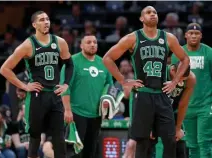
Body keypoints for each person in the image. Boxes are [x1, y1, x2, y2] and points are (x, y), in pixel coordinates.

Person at [103, 6, 190, 158]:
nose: (152, 15)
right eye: (148, 13)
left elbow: (185, 59)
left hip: (162, 95)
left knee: (170, 139)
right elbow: (107, 58)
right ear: (141, 19)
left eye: (155, 12)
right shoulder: (133, 38)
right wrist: (123, 81)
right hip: (143, 95)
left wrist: (175, 81)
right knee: (143, 143)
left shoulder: (168, 38)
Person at [0, 11, 74, 158]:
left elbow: (70, 64)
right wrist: (24, 85)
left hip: (55, 95)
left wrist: (66, 84)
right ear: (34, 24)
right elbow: (4, 69)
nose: (46, 22)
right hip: (37, 96)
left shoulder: (59, 42)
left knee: (59, 138)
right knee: (35, 138)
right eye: (41, 20)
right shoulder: (28, 45)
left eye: (47, 19)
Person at [58, 33, 113, 158]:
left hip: (96, 115)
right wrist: (67, 110)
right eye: (88, 42)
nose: (92, 44)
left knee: (91, 151)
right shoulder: (72, 62)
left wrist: (107, 100)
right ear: (81, 45)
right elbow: (64, 88)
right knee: (74, 152)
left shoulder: (104, 63)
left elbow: (110, 86)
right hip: (76, 113)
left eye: (95, 42)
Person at [171, 23, 212, 158]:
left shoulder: (209, 52)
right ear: (186, 35)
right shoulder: (178, 54)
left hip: (205, 105)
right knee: (192, 145)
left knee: (204, 142)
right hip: (186, 106)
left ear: (201, 36)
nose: (194, 36)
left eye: (197, 34)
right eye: (191, 33)